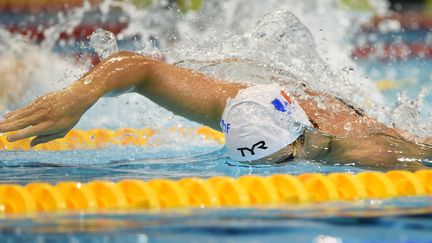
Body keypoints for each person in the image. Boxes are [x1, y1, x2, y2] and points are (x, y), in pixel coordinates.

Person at [0, 51, 431, 171]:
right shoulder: (237, 102)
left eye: (282, 160)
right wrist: (79, 97)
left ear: (304, 139)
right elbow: (143, 69)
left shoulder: (369, 151)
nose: (274, 171)